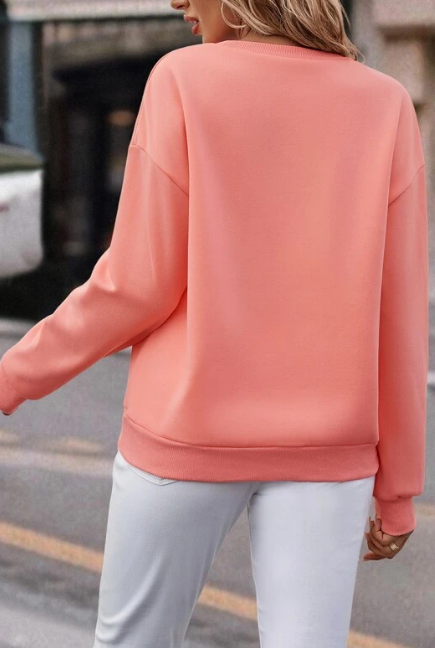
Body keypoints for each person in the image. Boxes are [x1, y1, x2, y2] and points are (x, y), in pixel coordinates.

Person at [0, 0, 428, 646]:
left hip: (183, 438)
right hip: (328, 458)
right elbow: (398, 315)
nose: (177, 1)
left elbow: (134, 287)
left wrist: (13, 373)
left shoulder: (181, 81)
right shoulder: (386, 105)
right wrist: (396, 490)